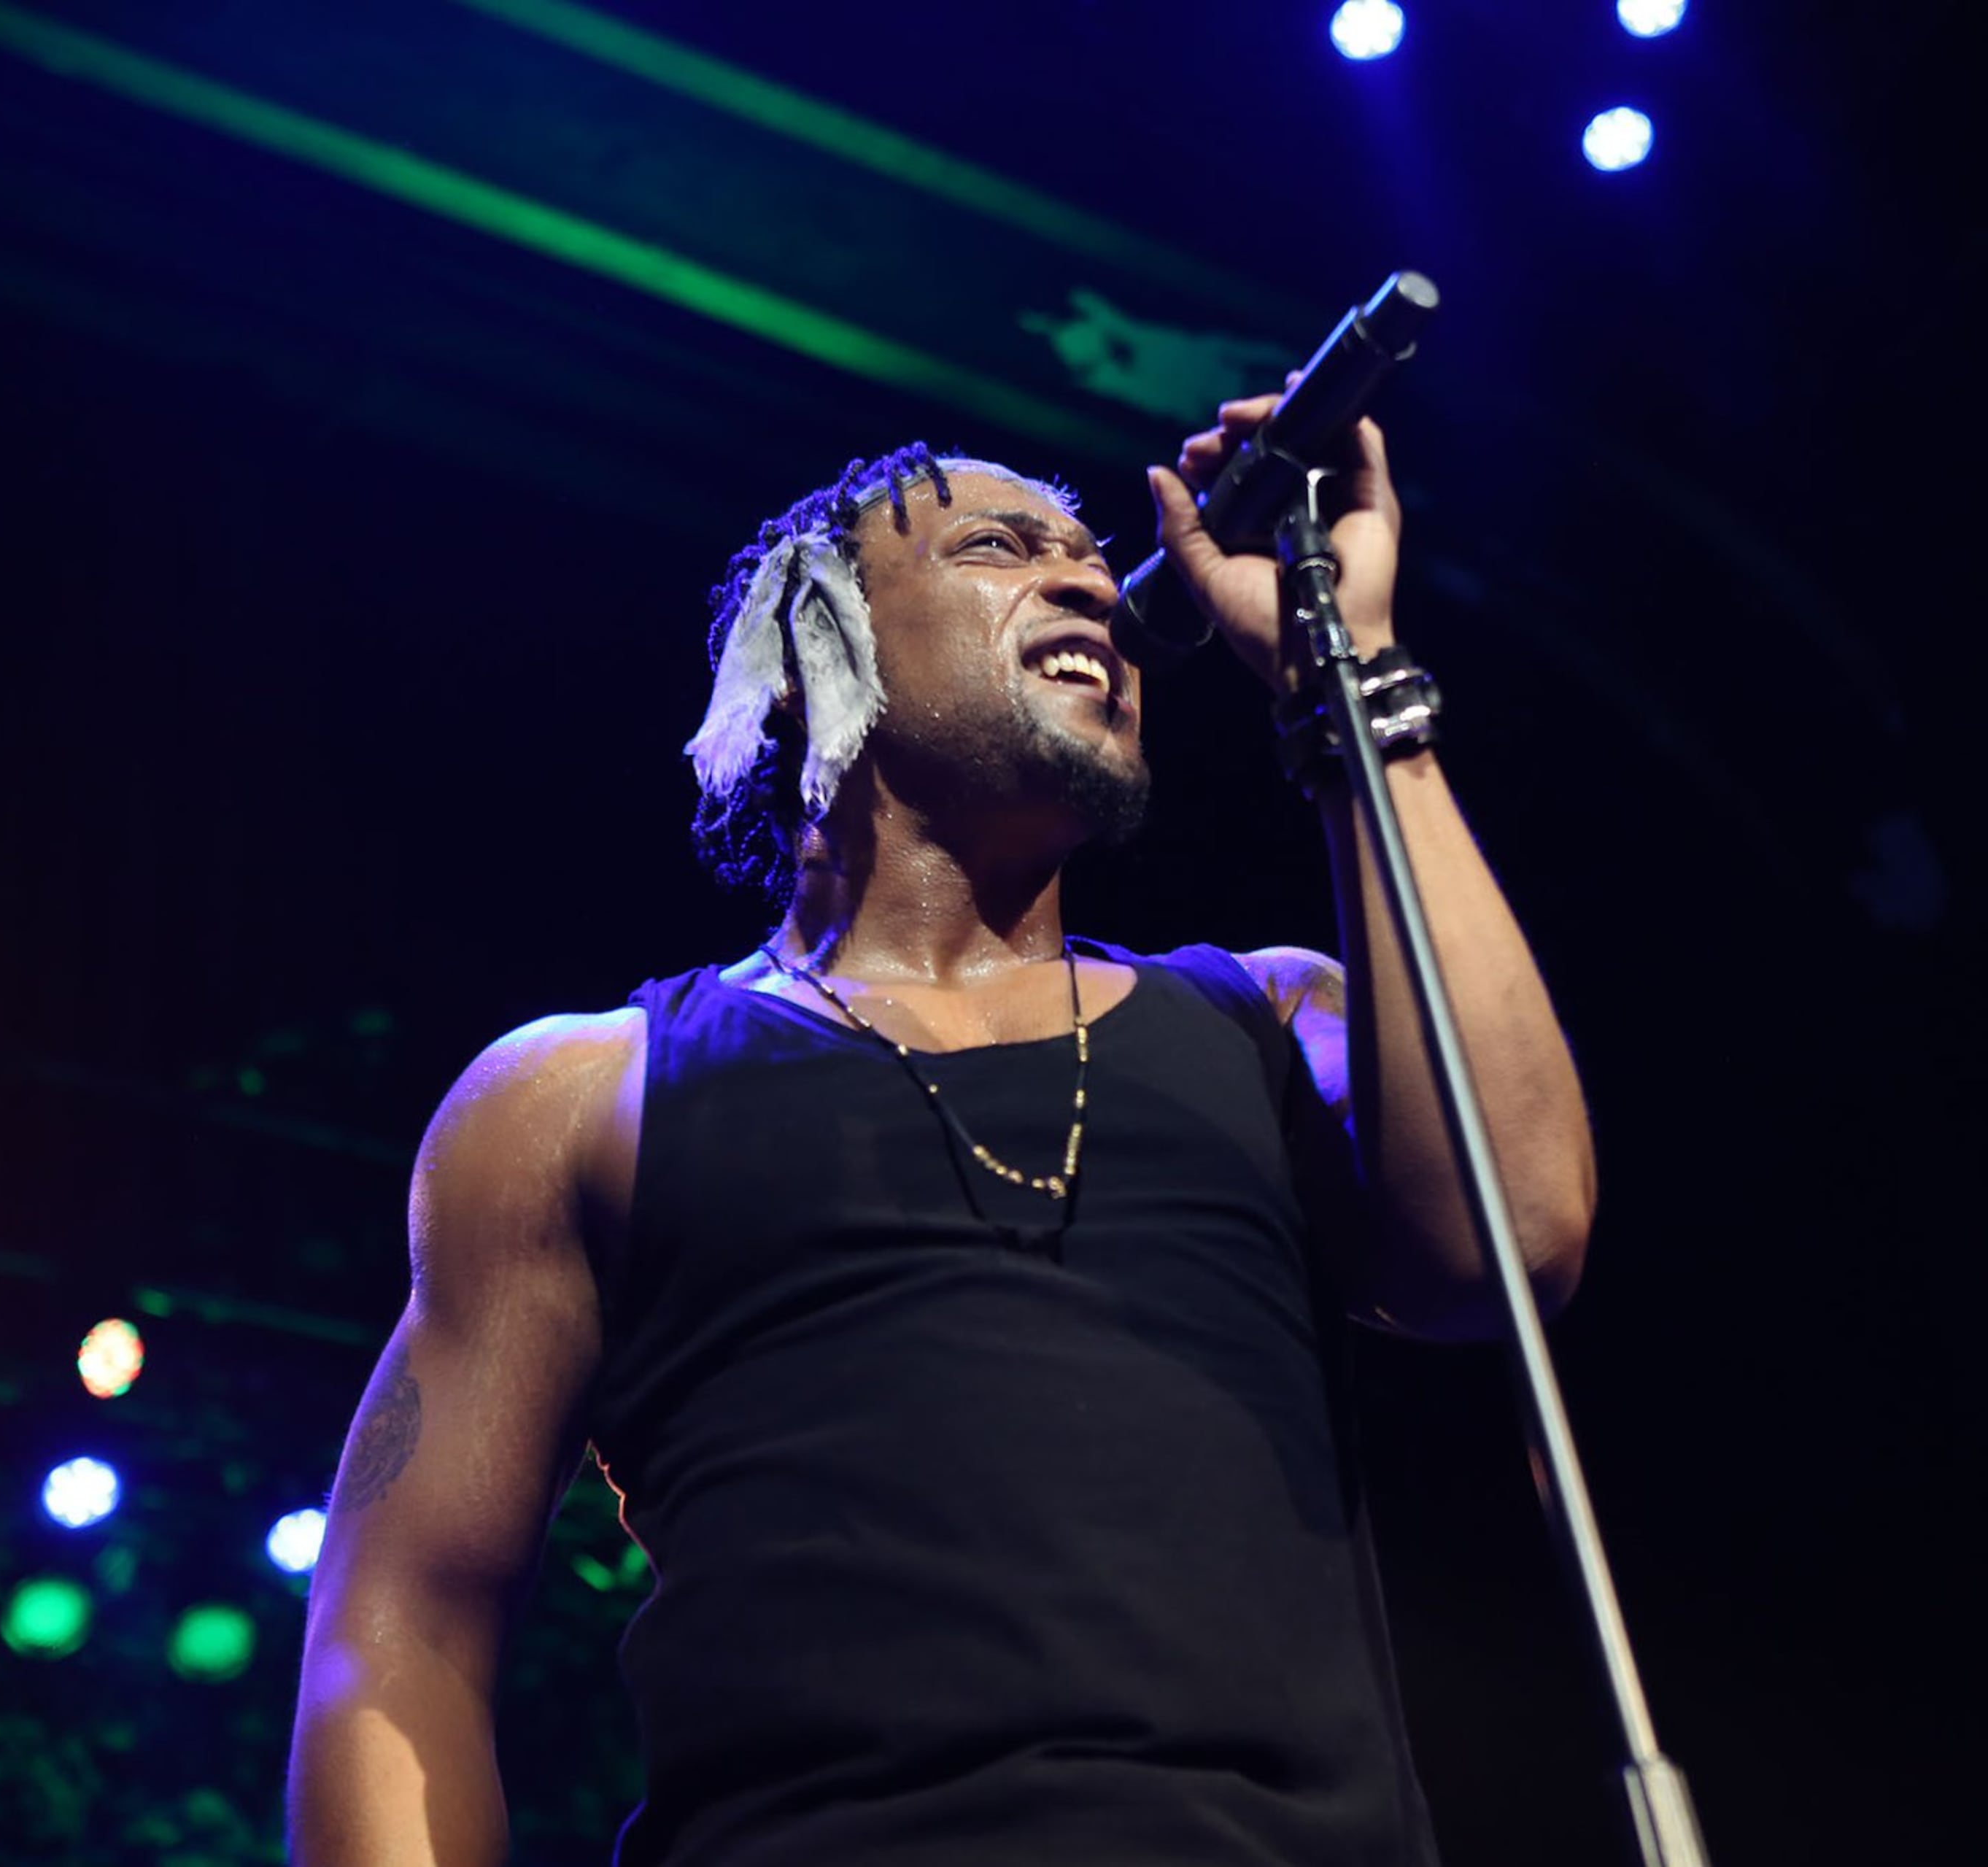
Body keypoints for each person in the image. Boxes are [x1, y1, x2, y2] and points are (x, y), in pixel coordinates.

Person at [285, 393, 1596, 1866]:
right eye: (1001, 546)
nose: (1096, 579)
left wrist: (1344, 677)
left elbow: (1514, 1238)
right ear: (818, 649)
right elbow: (405, 1630)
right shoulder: (584, 1097)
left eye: (1093, 557)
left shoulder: (1275, 1020)